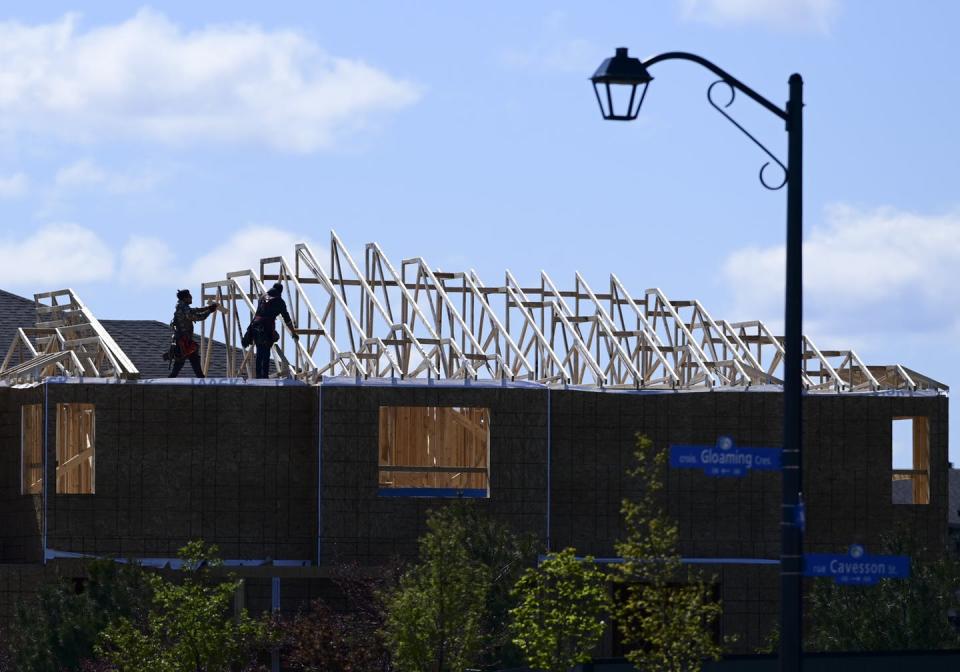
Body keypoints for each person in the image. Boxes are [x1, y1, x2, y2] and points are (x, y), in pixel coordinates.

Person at [243, 282, 298, 379]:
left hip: (255, 326)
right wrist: (293, 332)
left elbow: (258, 313)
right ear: (280, 292)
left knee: (259, 351)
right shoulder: (280, 301)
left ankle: (259, 377)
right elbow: (287, 319)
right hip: (266, 328)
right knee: (266, 352)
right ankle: (264, 377)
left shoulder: (263, 297)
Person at [167, 289, 218, 378]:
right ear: (185, 298)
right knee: (182, 361)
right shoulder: (184, 308)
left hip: (183, 340)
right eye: (189, 296)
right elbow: (198, 317)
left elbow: (195, 310)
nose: (191, 298)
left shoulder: (182, 307)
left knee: (191, 359)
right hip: (183, 341)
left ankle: (201, 377)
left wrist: (208, 308)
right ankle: (200, 378)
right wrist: (209, 311)